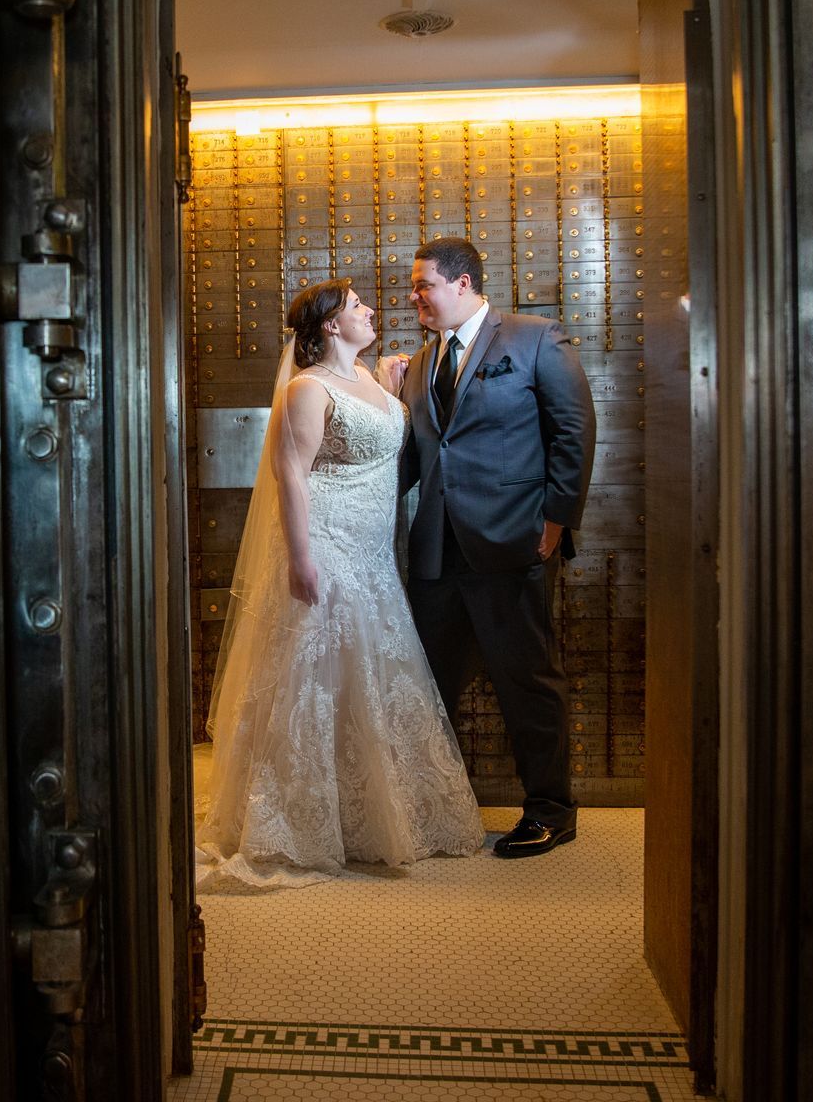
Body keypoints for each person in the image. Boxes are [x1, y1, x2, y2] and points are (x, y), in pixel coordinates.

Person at [196, 277, 484, 889]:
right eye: (357, 306)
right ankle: (298, 822)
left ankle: (365, 820)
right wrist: (301, 558)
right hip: (327, 543)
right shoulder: (306, 387)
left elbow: (384, 447)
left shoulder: (372, 383)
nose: (370, 310)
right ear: (330, 324)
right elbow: (291, 475)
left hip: (373, 550)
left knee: (369, 673)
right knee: (316, 677)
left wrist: (389, 387)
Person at [379, 236, 596, 858]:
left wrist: (557, 521)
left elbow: (573, 430)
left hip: (514, 540)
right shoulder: (421, 363)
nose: (415, 296)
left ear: (464, 283)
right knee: (428, 686)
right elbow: (421, 456)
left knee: (527, 679)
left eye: (424, 285)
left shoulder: (533, 337)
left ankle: (551, 809)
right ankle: (430, 808)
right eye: (414, 287)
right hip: (438, 551)